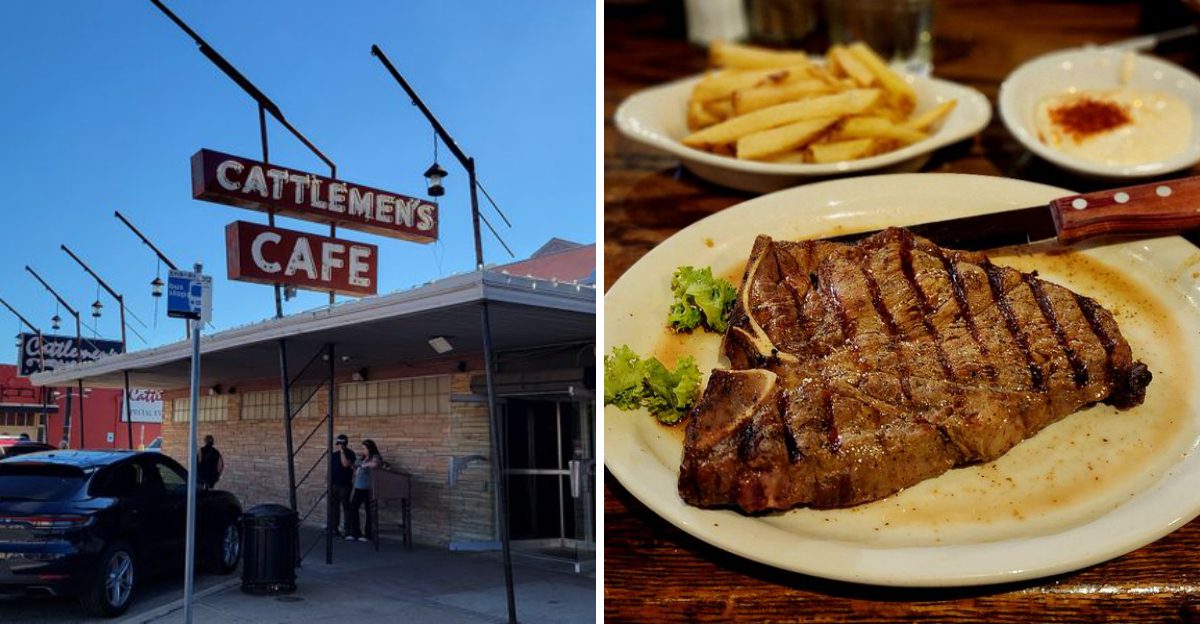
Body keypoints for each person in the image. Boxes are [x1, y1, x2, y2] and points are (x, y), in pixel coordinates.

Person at [346, 439, 382, 543]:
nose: (363, 450)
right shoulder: (362, 458)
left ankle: (368, 535)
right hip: (358, 487)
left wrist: (365, 465)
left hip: (368, 488)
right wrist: (353, 466)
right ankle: (355, 532)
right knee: (353, 508)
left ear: (370, 448)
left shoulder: (375, 457)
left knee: (369, 511)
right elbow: (357, 469)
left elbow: (376, 464)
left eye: (364, 448)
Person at [328, 434, 356, 537]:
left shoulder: (350, 454)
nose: (340, 446)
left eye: (341, 444)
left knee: (346, 507)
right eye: (338, 444)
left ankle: (347, 529)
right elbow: (331, 469)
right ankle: (334, 528)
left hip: (345, 485)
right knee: (334, 507)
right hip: (334, 484)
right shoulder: (334, 455)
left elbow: (345, 464)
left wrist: (342, 452)